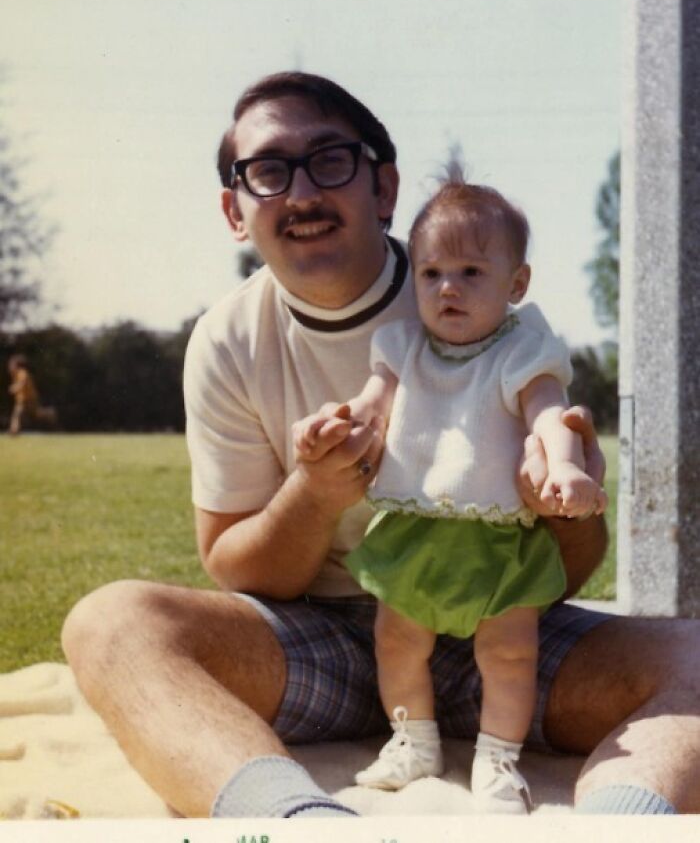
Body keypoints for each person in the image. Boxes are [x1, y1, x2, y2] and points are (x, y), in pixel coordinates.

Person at [61, 72, 699, 819]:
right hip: (314, 644)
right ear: (236, 213)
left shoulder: (480, 297)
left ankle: (623, 823)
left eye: (329, 159)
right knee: (110, 624)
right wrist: (317, 492)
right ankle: (296, 823)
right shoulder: (227, 339)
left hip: (492, 628)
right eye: (267, 172)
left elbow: (569, 572)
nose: (300, 193)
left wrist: (560, 501)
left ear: (384, 188)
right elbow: (232, 561)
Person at [292, 177, 607, 812]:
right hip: (415, 535)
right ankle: (414, 740)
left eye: (469, 271)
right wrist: (334, 423)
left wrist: (567, 469)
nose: (447, 288)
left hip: (497, 543)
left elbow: (551, 417)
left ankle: (497, 759)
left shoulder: (523, 349)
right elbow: (371, 409)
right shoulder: (403, 347)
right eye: (432, 272)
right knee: (397, 641)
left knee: (510, 653)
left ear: (515, 285)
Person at [7, 354, 57, 436]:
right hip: (23, 400)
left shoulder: (22, 373)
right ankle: (49, 413)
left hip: (29, 399)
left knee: (18, 414)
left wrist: (14, 388)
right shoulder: (16, 374)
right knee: (28, 414)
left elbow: (23, 383)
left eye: (11, 365)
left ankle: (14, 431)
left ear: (17, 365)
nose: (10, 367)